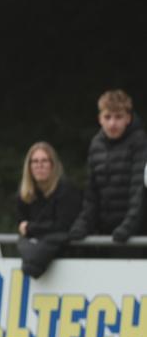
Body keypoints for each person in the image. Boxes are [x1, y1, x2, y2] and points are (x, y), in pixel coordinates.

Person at [69, 90, 147, 246]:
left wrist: (128, 226)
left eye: (118, 117)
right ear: (100, 119)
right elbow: (91, 195)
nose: (112, 123)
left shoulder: (139, 142)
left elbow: (139, 192)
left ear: (128, 118)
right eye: (107, 117)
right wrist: (83, 223)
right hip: (106, 233)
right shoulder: (95, 145)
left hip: (136, 235)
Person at [16, 142, 81, 277]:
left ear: (53, 165)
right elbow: (21, 223)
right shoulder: (24, 194)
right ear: (29, 167)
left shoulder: (67, 190)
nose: (39, 165)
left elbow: (63, 225)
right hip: (37, 253)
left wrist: (30, 228)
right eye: (35, 161)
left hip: (68, 259)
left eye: (44, 161)